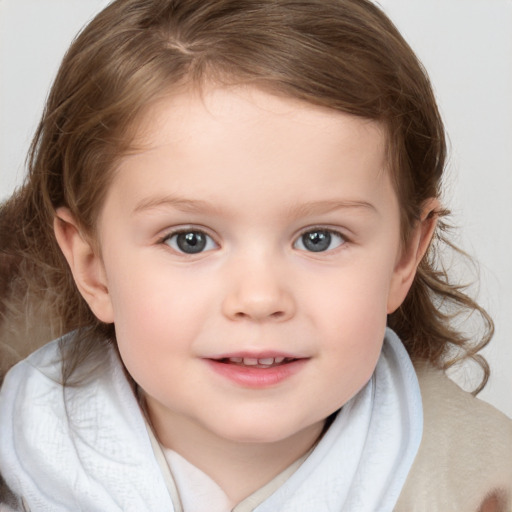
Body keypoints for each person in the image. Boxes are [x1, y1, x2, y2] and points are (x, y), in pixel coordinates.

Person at [0, 0, 511, 510]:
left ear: (405, 256)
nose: (260, 298)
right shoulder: (21, 446)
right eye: (190, 240)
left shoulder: (478, 482)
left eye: (319, 238)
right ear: (94, 268)